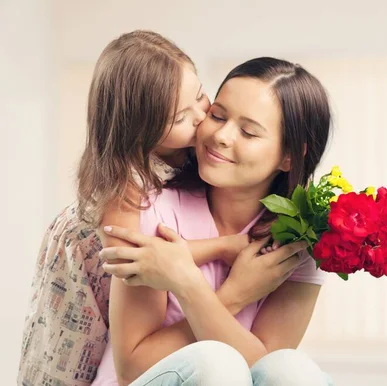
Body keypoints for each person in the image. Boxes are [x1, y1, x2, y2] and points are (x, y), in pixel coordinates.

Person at [18, 30, 253, 386]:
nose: (200, 117)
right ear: (139, 131)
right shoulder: (123, 184)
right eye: (179, 118)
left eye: (201, 96)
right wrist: (222, 248)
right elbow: (140, 259)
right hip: (79, 305)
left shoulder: (185, 153)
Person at [97, 57, 334, 385]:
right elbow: (132, 368)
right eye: (217, 115)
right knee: (215, 362)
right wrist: (234, 293)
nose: (221, 135)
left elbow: (265, 375)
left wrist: (189, 284)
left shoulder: (300, 240)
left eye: (248, 132)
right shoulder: (150, 206)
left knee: (293, 370)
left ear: (289, 155)